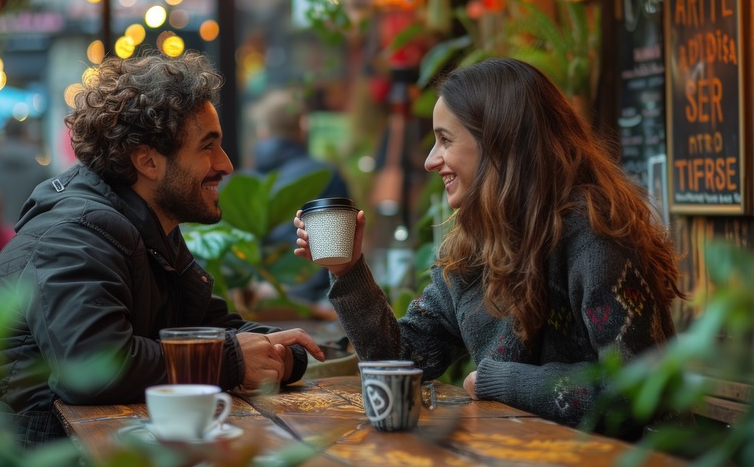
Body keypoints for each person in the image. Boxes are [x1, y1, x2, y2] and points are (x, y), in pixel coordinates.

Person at [294, 57, 686, 439]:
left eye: (445, 140)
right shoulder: (476, 247)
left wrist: (498, 380)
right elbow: (401, 360)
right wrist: (349, 271)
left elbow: (638, 393)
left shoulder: (596, 238)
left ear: (500, 143)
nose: (431, 161)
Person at [0, 51, 324, 448]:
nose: (226, 164)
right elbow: (92, 367)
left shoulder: (144, 229)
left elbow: (202, 327)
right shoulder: (78, 232)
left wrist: (280, 351)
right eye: (207, 146)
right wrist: (232, 359)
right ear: (148, 160)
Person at [246, 88, 351, 308]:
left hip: (255, 303)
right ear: (302, 129)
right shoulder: (324, 176)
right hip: (314, 302)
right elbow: (336, 253)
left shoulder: (241, 184)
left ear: (263, 132)